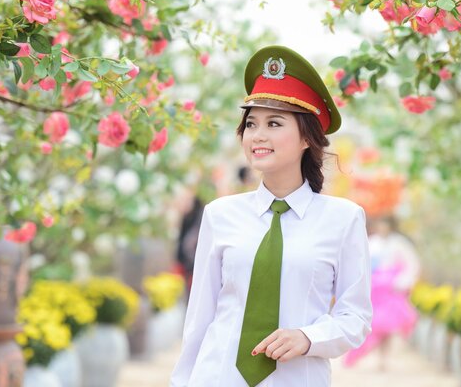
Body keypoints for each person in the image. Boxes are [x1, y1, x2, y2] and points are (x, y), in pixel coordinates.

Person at [170, 45, 372, 387]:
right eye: (251, 124)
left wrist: (309, 337)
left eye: (274, 123)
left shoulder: (344, 219)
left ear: (307, 136)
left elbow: (356, 318)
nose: (257, 135)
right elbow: (200, 318)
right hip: (218, 377)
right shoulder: (220, 215)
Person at [343, 215, 420, 370]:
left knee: (386, 326)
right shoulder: (372, 242)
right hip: (374, 291)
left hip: (390, 291)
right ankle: (375, 356)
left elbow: (411, 264)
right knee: (374, 325)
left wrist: (401, 282)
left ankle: (383, 358)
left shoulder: (399, 243)